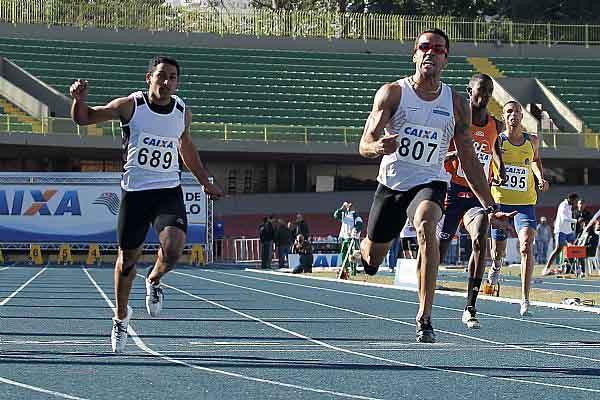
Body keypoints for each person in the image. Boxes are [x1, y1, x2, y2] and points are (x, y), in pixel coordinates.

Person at [358, 28, 513, 343]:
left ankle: (424, 317)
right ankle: (366, 249)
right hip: (392, 185)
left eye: (438, 48)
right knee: (373, 259)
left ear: (445, 59)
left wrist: (490, 206)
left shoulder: (456, 103)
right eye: (424, 46)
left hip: (430, 181)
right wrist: (378, 148)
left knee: (428, 222)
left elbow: (469, 160)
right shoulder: (392, 93)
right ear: (415, 54)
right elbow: (365, 144)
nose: (430, 52)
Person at [70, 56, 224, 353]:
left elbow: (186, 146)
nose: (166, 82)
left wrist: (205, 181)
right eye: (162, 76)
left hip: (168, 190)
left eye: (173, 78)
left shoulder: (181, 111)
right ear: (149, 77)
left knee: (175, 248)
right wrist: (79, 99)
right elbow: (84, 118)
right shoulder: (131, 106)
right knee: (127, 260)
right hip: (136, 193)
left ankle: (153, 279)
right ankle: (121, 316)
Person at [437, 73, 505, 329]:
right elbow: (440, 152)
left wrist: (500, 167)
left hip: (477, 195)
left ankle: (470, 306)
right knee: (439, 251)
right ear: (469, 91)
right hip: (452, 192)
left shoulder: (495, 125)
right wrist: (461, 153)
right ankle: (427, 303)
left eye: (489, 91)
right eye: (481, 90)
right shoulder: (456, 120)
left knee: (479, 238)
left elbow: (495, 147)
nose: (485, 95)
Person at [486, 100, 550, 317]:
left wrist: (541, 177)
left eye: (517, 112)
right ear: (504, 117)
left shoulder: (532, 140)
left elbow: (535, 160)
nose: (513, 115)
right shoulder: (497, 140)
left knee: (525, 246)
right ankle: (495, 266)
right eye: (509, 112)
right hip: (501, 202)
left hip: (525, 203)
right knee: (498, 251)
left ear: (522, 117)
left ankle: (525, 299)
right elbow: (487, 165)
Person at [542, 193, 578, 276]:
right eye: (575, 201)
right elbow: (564, 218)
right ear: (571, 199)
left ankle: (569, 267)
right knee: (558, 249)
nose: (576, 203)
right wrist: (575, 221)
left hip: (568, 231)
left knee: (573, 248)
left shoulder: (570, 206)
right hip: (560, 230)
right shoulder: (563, 205)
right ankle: (546, 268)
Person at [333, 201, 363, 275]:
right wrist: (342, 207)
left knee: (352, 255)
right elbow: (336, 215)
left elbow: (359, 224)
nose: (348, 207)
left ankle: (353, 271)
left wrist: (355, 230)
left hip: (352, 239)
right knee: (343, 254)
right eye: (348, 206)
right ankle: (345, 270)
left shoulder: (355, 216)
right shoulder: (344, 215)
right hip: (345, 238)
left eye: (350, 206)